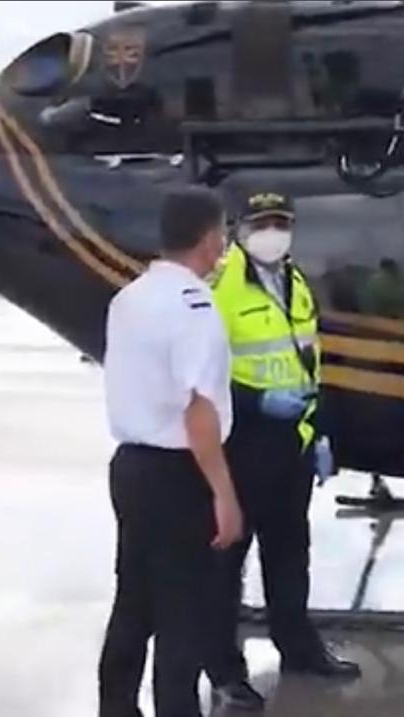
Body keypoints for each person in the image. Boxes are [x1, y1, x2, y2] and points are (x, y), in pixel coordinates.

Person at [205, 191, 360, 712]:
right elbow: (203, 379)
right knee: (229, 565)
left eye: (281, 223)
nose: (273, 232)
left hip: (292, 444)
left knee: (290, 554)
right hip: (243, 444)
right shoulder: (218, 288)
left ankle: (298, 648)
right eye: (263, 223)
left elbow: (307, 364)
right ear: (239, 231)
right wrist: (257, 402)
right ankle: (225, 671)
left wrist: (320, 432)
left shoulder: (294, 282)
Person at [99, 186, 244, 717]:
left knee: (135, 598)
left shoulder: (130, 296)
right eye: (224, 233)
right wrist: (223, 493)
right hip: (177, 472)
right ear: (210, 239)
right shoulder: (195, 307)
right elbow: (199, 410)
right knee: (184, 607)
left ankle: (116, 706)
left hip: (131, 467)